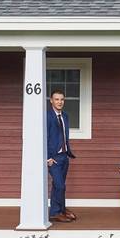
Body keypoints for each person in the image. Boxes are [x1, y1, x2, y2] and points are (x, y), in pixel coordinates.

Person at [46, 89, 77, 223]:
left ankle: (59, 210)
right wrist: (47, 157)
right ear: (51, 101)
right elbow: (44, 137)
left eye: (62, 99)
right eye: (57, 99)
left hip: (64, 156)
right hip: (53, 157)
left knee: (59, 185)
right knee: (60, 185)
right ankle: (56, 212)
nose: (60, 102)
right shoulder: (47, 116)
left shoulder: (65, 116)